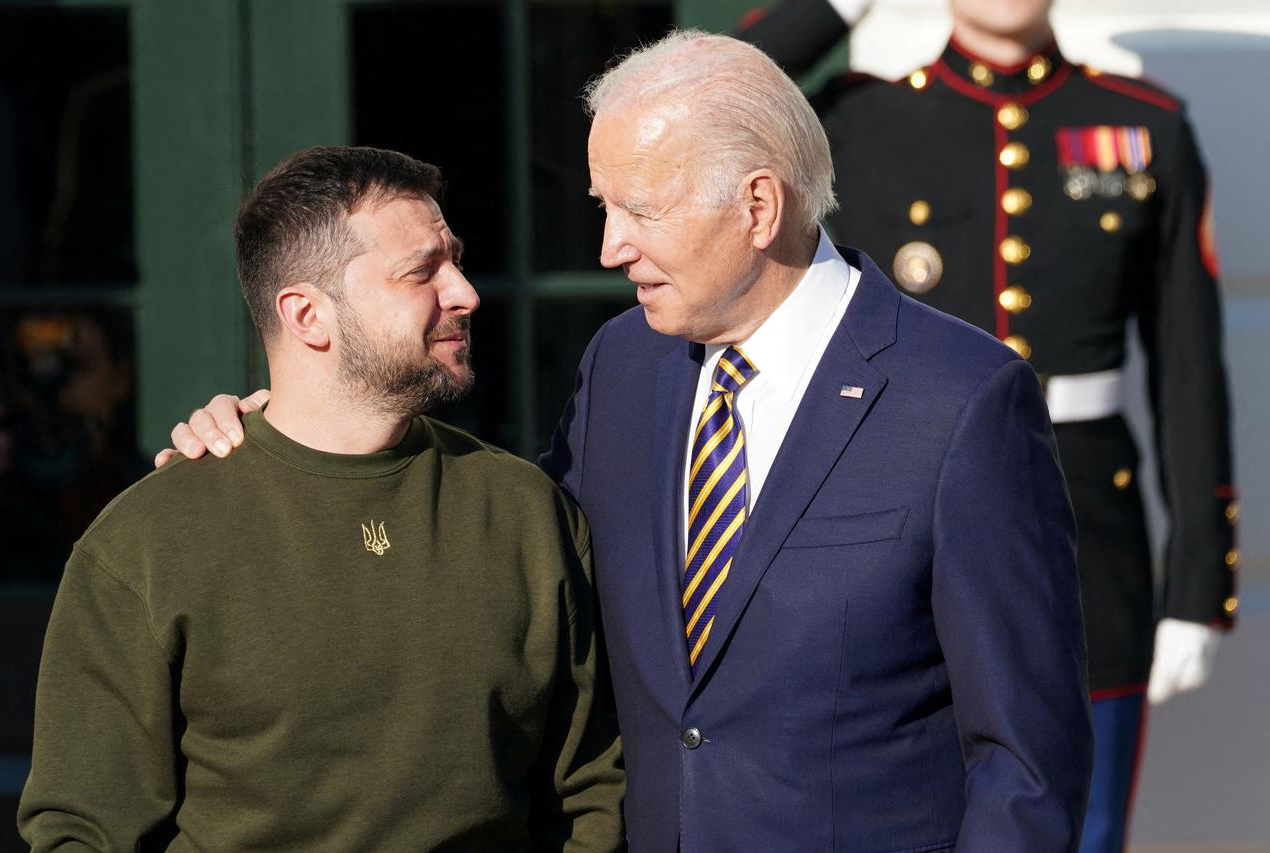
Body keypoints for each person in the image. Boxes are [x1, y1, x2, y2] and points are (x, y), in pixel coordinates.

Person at [163, 33, 1091, 851]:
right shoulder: (626, 363)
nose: (610, 247)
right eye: (606, 206)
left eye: (639, 211)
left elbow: (1027, 762)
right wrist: (288, 443)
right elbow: (498, 555)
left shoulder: (959, 401)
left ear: (758, 208)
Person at [19, 146, 625, 852]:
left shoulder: (525, 512)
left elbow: (591, 790)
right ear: (308, 315)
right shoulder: (147, 541)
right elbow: (82, 829)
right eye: (422, 271)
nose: (464, 292)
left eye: (453, 260)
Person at [738, 1, 1239, 849]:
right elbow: (721, 88)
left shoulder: (1141, 126)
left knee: (1082, 827)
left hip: (1086, 550)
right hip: (896, 546)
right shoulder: (861, 119)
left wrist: (1198, 585)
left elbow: (1189, 369)